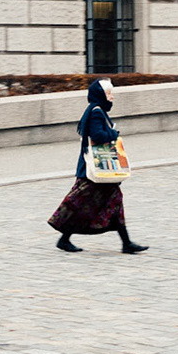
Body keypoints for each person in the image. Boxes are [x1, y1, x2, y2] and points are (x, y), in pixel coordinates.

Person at [48, 80, 147, 254]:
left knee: (112, 202)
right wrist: (113, 133)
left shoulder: (95, 110)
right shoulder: (96, 112)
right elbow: (97, 135)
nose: (112, 97)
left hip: (96, 169)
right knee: (82, 204)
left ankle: (126, 243)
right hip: (94, 169)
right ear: (101, 95)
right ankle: (64, 238)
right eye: (109, 94)